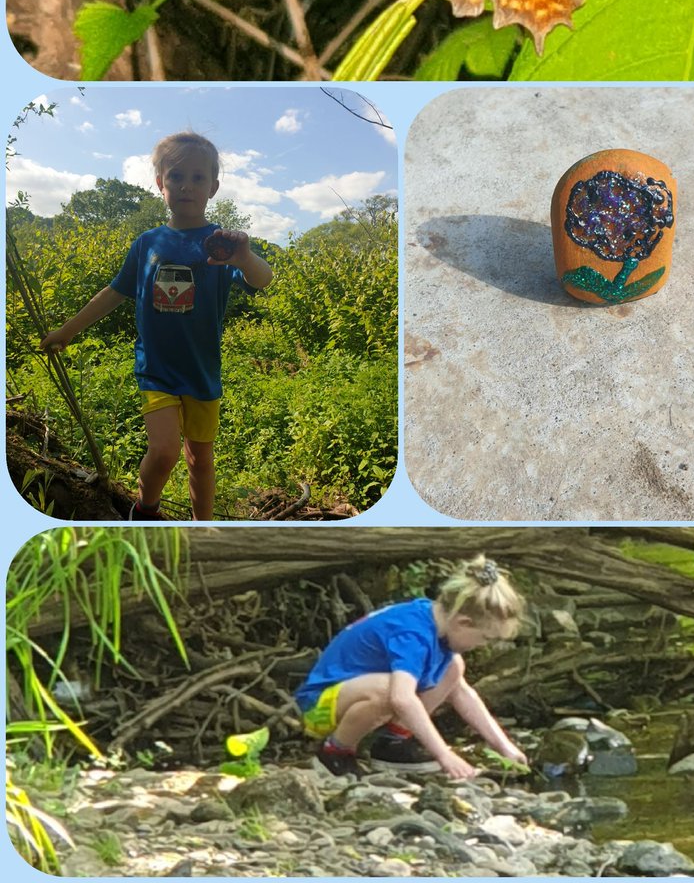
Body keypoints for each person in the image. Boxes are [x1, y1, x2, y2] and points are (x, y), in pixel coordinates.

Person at [39, 132, 272, 520]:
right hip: (157, 370)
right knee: (164, 451)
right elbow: (113, 293)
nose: (186, 186)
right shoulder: (147, 243)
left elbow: (262, 279)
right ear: (160, 183)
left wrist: (245, 258)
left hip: (202, 372)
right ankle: (145, 510)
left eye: (198, 178)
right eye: (176, 176)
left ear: (213, 188)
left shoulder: (221, 244)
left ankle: (203, 529)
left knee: (200, 459)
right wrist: (67, 331)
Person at [295, 556, 529, 779]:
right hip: (318, 709)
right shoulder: (413, 635)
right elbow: (401, 699)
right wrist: (444, 755)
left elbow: (462, 693)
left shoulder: (437, 621)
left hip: (352, 699)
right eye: (485, 638)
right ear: (463, 623)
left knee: (454, 667)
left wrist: (504, 746)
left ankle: (393, 743)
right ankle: (336, 751)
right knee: (389, 690)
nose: (482, 645)